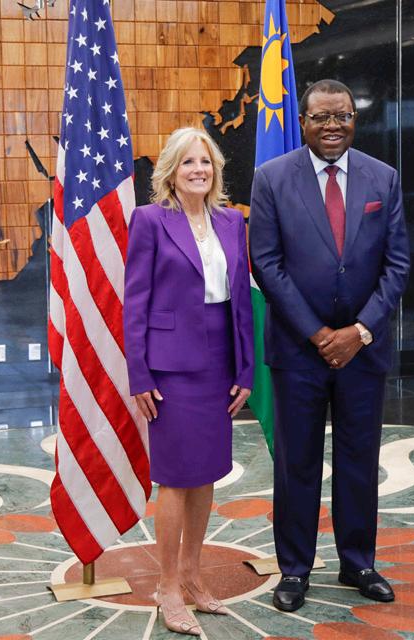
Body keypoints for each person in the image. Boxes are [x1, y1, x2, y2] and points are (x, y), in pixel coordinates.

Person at [249, 79, 411, 612]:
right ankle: (295, 569)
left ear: (354, 119)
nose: (332, 126)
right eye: (321, 117)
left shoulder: (383, 178)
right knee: (297, 462)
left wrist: (358, 331)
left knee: (359, 459)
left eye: (342, 115)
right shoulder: (272, 178)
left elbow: (397, 264)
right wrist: (319, 335)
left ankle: (358, 562)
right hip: (299, 351)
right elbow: (266, 264)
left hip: (364, 349)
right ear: (303, 122)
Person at [123, 127, 254, 635]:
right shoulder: (150, 220)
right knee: (176, 478)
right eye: (188, 162)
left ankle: (194, 576)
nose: (198, 170)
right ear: (171, 173)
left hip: (220, 363)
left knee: (207, 473)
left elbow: (241, 302)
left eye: (205, 162)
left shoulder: (231, 221)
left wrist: (246, 368)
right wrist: (139, 373)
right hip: (171, 368)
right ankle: (167, 587)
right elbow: (135, 302)